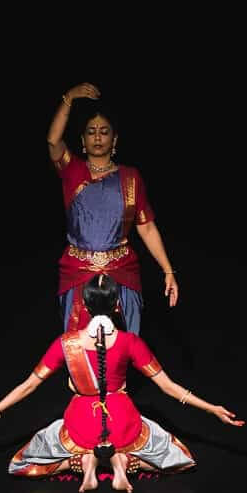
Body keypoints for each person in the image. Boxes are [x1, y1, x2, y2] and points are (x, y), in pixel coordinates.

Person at [0, 275, 245, 493]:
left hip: (81, 421)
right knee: (179, 456)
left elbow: (28, 386)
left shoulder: (65, 343)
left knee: (23, 461)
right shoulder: (130, 342)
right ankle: (122, 462)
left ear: (83, 303)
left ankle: (85, 462)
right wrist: (211, 408)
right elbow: (170, 388)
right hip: (123, 420)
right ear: (118, 304)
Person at [47, 82, 179, 335]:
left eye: (104, 131)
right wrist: (69, 98)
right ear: (83, 140)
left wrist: (168, 270)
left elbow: (147, 226)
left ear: (114, 138)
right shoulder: (73, 171)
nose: (98, 137)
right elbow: (53, 140)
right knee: (78, 355)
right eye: (91, 131)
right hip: (77, 272)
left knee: (124, 349)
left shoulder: (131, 177)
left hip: (122, 273)